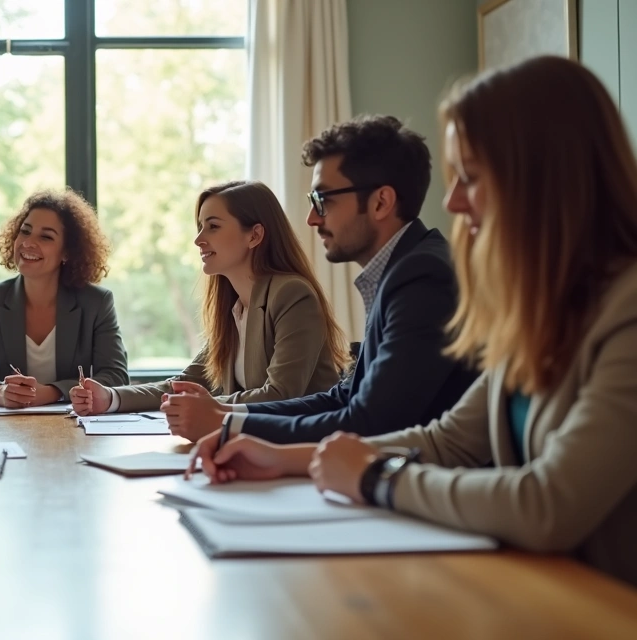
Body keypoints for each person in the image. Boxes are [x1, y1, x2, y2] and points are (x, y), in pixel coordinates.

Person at [189, 56, 637, 587]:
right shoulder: (542, 307)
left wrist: (374, 477)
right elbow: (451, 442)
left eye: (470, 177)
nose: (451, 201)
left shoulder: (624, 309)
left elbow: (549, 503)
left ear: (548, 177)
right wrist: (285, 459)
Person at [162, 115, 478, 443]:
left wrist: (225, 425)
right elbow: (343, 397)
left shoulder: (423, 277)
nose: (312, 219)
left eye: (322, 200)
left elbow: (371, 421)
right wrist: (226, 415)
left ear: (381, 202)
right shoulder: (403, 268)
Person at [70, 181, 348, 441]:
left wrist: (203, 406)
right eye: (201, 226)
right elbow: (181, 385)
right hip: (250, 445)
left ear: (255, 235)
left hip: (304, 448)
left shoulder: (291, 294)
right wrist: (110, 397)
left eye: (213, 226)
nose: (199, 239)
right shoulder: (235, 307)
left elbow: (281, 394)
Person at [0, 189, 129, 408]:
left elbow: (116, 376)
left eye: (46, 236)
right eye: (25, 231)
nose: (28, 243)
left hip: (74, 428)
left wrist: (54, 392)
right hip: (7, 429)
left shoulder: (96, 303)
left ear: (67, 252)